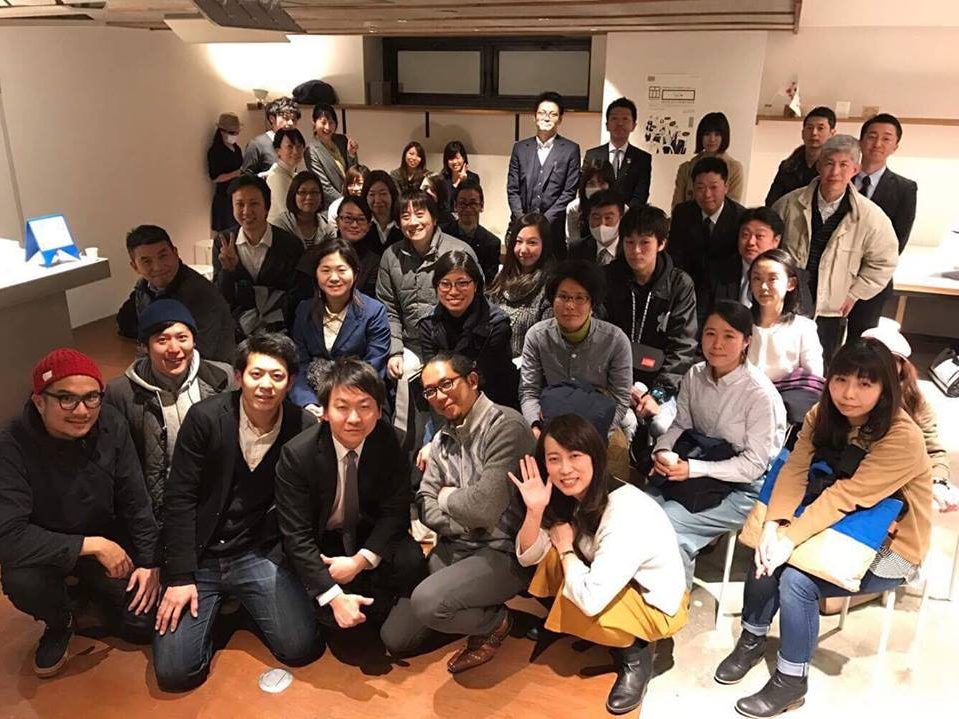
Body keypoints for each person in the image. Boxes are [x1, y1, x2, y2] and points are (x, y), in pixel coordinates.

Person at [715, 339, 931, 717]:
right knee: (767, 548)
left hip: (894, 548)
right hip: (837, 521)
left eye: (865, 383)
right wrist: (774, 526)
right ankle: (752, 638)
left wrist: (789, 538)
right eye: (841, 379)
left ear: (885, 389)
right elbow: (795, 468)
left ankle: (791, 680)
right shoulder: (823, 414)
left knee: (797, 578)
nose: (848, 393)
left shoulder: (902, 436)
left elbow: (848, 495)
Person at [153, 332, 322, 692]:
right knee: (176, 673)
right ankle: (219, 605)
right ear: (238, 376)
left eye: (277, 376)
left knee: (301, 648)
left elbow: (303, 506)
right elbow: (179, 498)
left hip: (255, 552)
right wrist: (179, 576)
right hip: (201, 555)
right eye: (256, 374)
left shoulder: (303, 427)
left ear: (291, 381)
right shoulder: (206, 418)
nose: (266, 385)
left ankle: (241, 600)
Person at [511, 414, 688, 715]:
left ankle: (636, 657)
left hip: (654, 606)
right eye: (554, 459)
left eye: (575, 456)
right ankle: (568, 623)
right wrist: (535, 510)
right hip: (614, 583)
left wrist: (566, 550)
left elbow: (591, 599)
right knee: (549, 557)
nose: (565, 469)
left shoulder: (624, 512)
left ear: (595, 456)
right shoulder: (572, 497)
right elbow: (528, 556)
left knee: (565, 559)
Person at [0, 349, 160, 677]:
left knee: (144, 623)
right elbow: (8, 536)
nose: (82, 411)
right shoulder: (10, 445)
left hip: (109, 537)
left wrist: (149, 562)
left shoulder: (111, 423)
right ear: (39, 401)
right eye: (66, 399)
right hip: (50, 547)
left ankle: (86, 594)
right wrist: (91, 545)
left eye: (91, 398)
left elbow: (136, 499)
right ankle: (61, 619)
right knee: (21, 580)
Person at [379, 353, 535, 671]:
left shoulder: (507, 427)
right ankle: (474, 608)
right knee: (395, 638)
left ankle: (496, 622)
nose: (439, 396)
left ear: (472, 380)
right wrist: (462, 524)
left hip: (502, 552)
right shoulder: (441, 438)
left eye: (446, 384)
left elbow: (484, 508)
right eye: (430, 391)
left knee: (428, 602)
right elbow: (425, 502)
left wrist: (447, 496)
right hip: (455, 546)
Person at [275, 358, 428, 631]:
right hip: (322, 541)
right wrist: (333, 596)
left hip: (367, 532)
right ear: (324, 412)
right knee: (336, 632)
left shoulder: (391, 440)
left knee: (411, 561)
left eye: (365, 406)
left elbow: (395, 511)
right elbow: (296, 535)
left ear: (379, 411)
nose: (354, 418)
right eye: (342, 407)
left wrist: (359, 562)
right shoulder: (297, 455)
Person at [650, 301, 786, 586]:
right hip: (696, 470)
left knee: (667, 525)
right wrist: (662, 450)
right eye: (710, 333)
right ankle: (634, 600)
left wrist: (693, 469)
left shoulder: (759, 394)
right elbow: (680, 424)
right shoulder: (695, 375)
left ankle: (672, 606)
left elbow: (753, 466)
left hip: (743, 488)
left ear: (746, 341)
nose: (717, 344)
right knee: (637, 509)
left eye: (728, 336)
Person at [105, 300, 235, 519]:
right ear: (144, 346)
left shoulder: (223, 377)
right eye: (162, 340)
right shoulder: (121, 392)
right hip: (157, 509)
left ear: (194, 340)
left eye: (182, 338)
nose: (174, 349)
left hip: (213, 501)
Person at [773, 134, 898, 360]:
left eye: (844, 165)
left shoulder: (870, 217)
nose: (835, 172)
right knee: (780, 361)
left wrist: (855, 293)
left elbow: (884, 262)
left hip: (830, 311)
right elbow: (770, 249)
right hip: (787, 303)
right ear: (819, 165)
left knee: (821, 366)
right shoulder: (788, 205)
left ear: (855, 169)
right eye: (829, 163)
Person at [375, 191, 477, 446]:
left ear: (434, 217)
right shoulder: (391, 256)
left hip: (452, 346)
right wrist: (395, 351)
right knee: (402, 380)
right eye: (405, 216)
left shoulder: (458, 251)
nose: (413, 222)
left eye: (420, 214)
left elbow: (475, 301)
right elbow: (389, 308)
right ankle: (406, 452)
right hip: (411, 346)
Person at [602, 204, 698, 438]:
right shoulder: (607, 279)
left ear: (661, 243)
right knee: (617, 423)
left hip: (660, 382)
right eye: (629, 242)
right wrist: (620, 385)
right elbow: (599, 337)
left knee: (661, 426)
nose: (636, 251)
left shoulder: (679, 285)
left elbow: (683, 347)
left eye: (645, 242)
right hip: (615, 379)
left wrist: (657, 393)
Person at [520, 260, 633, 440]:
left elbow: (620, 399)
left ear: (592, 304)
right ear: (552, 299)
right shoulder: (537, 336)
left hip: (598, 425)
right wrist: (535, 426)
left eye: (580, 298)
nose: (570, 306)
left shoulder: (615, 340)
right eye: (563, 297)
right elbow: (529, 391)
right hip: (550, 424)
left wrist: (593, 436)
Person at [861, 320, 957, 513]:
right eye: (872, 358)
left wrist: (938, 480)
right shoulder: (842, 392)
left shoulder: (913, 401)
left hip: (891, 483)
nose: (881, 367)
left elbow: (932, 450)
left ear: (902, 366)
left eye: (891, 360)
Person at [290, 238, 390, 414]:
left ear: (355, 274)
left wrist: (337, 405)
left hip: (360, 397)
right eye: (325, 270)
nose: (334, 278)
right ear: (316, 274)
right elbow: (300, 365)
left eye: (341, 270)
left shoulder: (374, 312)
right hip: (313, 400)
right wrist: (308, 403)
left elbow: (373, 368)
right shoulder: (304, 310)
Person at [117, 224, 236, 364]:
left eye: (163, 256)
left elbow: (201, 353)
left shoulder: (202, 293)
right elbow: (144, 340)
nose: (157, 267)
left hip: (209, 368)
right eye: (147, 261)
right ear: (135, 266)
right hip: (164, 365)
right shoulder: (143, 289)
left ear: (175, 253)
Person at [846, 113, 919, 341]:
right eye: (872, 136)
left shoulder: (905, 189)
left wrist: (863, 277)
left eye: (886, 138)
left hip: (872, 282)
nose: (877, 143)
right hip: (832, 275)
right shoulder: (839, 179)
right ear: (860, 141)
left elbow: (897, 241)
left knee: (861, 342)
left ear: (895, 146)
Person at [419, 251, 518, 408]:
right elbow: (432, 376)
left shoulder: (497, 325)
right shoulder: (427, 324)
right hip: (445, 400)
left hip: (491, 401)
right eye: (445, 284)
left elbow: (487, 380)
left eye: (462, 283)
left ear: (476, 285)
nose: (453, 292)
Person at [214, 174, 305, 335]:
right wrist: (228, 271)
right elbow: (222, 298)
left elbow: (297, 295)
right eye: (239, 204)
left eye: (254, 204)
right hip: (237, 331)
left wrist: (253, 299)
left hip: (280, 331)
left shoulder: (290, 244)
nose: (246, 211)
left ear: (267, 207)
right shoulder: (223, 242)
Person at [668, 157, 745, 325]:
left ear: (726, 187)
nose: (707, 194)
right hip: (690, 290)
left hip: (726, 293)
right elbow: (675, 255)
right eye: (700, 188)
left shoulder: (740, 217)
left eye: (713, 187)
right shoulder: (683, 213)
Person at [507, 91, 581, 259]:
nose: (546, 118)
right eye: (542, 113)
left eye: (553, 114)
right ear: (534, 117)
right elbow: (512, 189)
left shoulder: (571, 149)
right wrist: (522, 220)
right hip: (521, 228)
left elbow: (569, 192)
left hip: (553, 231)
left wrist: (544, 223)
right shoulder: (520, 148)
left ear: (560, 119)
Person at [706, 207, 813, 318]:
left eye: (759, 236)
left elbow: (802, 315)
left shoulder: (793, 276)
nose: (751, 242)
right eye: (745, 235)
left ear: (776, 240)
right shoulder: (716, 272)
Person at [747, 249, 824, 382]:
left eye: (772, 279)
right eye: (757, 278)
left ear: (791, 284)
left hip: (786, 393)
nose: (763, 286)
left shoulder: (803, 328)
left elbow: (813, 379)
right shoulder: (740, 323)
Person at [487, 213, 555, 358]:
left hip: (530, 365)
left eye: (532, 243)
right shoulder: (502, 277)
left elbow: (546, 344)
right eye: (519, 241)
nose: (523, 250)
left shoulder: (551, 286)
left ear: (545, 245)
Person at [583, 97, 652, 209]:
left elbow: (641, 195)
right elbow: (585, 188)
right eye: (614, 118)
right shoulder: (592, 155)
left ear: (633, 125)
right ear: (607, 125)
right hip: (596, 212)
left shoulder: (642, 158)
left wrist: (623, 214)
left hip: (629, 216)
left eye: (625, 119)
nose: (620, 123)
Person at [765, 106, 837, 207]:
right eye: (809, 128)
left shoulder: (835, 169)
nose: (814, 133)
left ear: (832, 134)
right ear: (803, 133)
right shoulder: (788, 166)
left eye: (820, 128)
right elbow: (772, 202)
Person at [671, 112, 744, 208]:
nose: (712, 139)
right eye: (707, 134)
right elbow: (677, 206)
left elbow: (733, 207)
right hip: (689, 216)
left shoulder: (734, 168)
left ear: (724, 137)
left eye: (717, 134)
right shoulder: (686, 168)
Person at [441, 180, 501, 282]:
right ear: (455, 206)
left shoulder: (492, 243)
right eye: (463, 203)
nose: (468, 209)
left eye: (473, 203)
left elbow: (489, 281)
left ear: (481, 206)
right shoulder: (442, 233)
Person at [305, 103, 359, 210]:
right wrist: (344, 202)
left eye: (331, 122)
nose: (328, 127)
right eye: (323, 122)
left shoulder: (342, 140)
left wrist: (352, 155)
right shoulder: (311, 151)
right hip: (331, 206)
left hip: (351, 198)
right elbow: (324, 186)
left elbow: (354, 171)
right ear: (314, 123)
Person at [271, 170, 337, 249]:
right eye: (302, 192)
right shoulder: (281, 225)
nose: (309, 197)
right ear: (293, 195)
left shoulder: (327, 228)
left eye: (314, 192)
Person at [242, 97, 301, 176]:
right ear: (272, 118)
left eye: (294, 120)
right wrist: (266, 175)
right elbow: (244, 178)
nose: (291, 123)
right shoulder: (257, 144)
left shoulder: (294, 143)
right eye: (286, 118)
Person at [207, 112, 242, 235]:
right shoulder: (216, 151)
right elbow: (215, 177)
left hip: (237, 192)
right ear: (222, 131)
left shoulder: (236, 149)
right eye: (232, 133)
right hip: (224, 197)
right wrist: (235, 173)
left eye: (237, 133)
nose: (235, 136)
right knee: (227, 233)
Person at [568, 188, 624, 265]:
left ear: (621, 219)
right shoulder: (577, 250)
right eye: (596, 218)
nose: (602, 223)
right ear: (588, 218)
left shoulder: (630, 249)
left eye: (608, 218)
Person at [566, 162, 615, 247]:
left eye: (601, 183)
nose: (596, 188)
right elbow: (574, 243)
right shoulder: (574, 209)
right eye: (591, 184)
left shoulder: (623, 210)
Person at [264, 127, 306, 224]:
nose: (296, 151)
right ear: (277, 150)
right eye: (290, 146)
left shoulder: (293, 175)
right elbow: (288, 213)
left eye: (299, 146)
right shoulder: (276, 177)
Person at [363, 170, 404, 251]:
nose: (377, 200)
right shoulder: (361, 225)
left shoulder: (402, 223)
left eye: (383, 194)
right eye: (372, 194)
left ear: (392, 195)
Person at [439, 140, 480, 204]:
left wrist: (464, 181)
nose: (454, 162)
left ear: (463, 158)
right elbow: (447, 202)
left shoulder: (473, 178)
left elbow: (472, 200)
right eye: (451, 159)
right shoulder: (442, 179)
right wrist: (459, 181)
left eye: (457, 158)